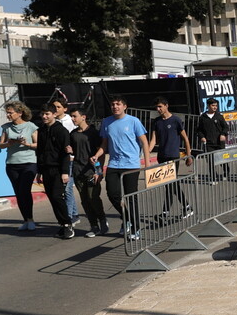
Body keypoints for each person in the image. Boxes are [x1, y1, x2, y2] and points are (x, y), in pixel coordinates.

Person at [90, 95, 152, 240]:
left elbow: (144, 142)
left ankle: (135, 228)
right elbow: (104, 144)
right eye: (113, 104)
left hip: (131, 164)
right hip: (114, 164)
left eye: (118, 104)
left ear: (124, 106)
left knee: (131, 197)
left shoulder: (133, 121)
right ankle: (129, 219)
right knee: (112, 194)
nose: (115, 107)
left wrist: (147, 163)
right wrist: (97, 154)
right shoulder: (106, 122)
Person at [148, 97, 194, 220]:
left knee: (171, 184)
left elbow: (185, 138)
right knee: (169, 184)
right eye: (156, 107)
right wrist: (147, 152)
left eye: (160, 107)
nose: (158, 109)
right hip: (161, 156)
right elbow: (153, 139)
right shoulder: (157, 121)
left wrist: (188, 155)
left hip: (173, 156)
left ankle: (166, 211)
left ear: (166, 106)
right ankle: (186, 207)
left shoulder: (176, 120)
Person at [0, 101, 39, 231]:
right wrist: (9, 143)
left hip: (29, 163)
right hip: (12, 164)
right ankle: (26, 220)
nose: (8, 115)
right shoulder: (6, 127)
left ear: (20, 113)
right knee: (18, 193)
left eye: (10, 113)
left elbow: (38, 144)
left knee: (24, 190)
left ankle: (31, 219)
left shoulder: (30, 126)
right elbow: (0, 144)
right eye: (7, 113)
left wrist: (27, 144)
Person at [36, 105, 74, 239]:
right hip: (45, 169)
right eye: (43, 114)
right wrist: (39, 171)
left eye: (47, 114)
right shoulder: (41, 130)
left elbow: (65, 153)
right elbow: (39, 151)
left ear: (54, 114)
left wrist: (65, 172)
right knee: (52, 198)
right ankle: (62, 224)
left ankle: (68, 224)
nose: (44, 117)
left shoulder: (61, 131)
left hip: (58, 169)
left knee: (57, 197)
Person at [69, 108, 106, 237]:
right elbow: (73, 151)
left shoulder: (93, 133)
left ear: (83, 117)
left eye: (75, 116)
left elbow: (101, 153)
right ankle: (93, 225)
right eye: (71, 116)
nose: (73, 119)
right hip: (78, 171)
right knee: (84, 200)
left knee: (93, 198)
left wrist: (99, 171)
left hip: (91, 171)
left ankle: (102, 220)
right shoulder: (73, 134)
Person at [51, 98, 80, 227]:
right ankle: (74, 214)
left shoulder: (69, 121)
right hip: (60, 158)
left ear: (64, 108)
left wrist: (73, 154)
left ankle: (69, 216)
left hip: (70, 159)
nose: (56, 109)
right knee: (66, 189)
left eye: (58, 107)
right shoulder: (53, 122)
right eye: (54, 107)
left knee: (67, 188)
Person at [194, 98, 229, 183]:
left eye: (216, 105)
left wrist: (223, 134)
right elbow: (199, 130)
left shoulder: (219, 116)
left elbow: (225, 127)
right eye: (213, 105)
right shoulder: (203, 117)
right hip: (209, 143)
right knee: (210, 161)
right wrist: (202, 137)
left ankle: (226, 172)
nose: (215, 107)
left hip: (219, 143)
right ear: (208, 106)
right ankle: (213, 177)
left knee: (222, 160)